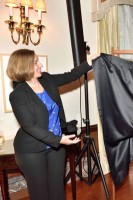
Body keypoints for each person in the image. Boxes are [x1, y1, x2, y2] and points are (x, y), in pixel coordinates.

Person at [6, 49, 97, 200]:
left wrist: (89, 62)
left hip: (55, 146)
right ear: (24, 66)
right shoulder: (18, 95)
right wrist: (60, 139)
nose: (40, 65)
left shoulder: (47, 79)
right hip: (31, 151)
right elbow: (30, 126)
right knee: (40, 194)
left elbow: (71, 75)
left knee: (57, 192)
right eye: (35, 62)